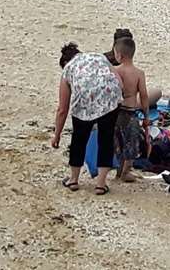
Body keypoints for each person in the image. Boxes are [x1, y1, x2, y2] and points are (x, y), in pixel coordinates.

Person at [51, 43, 123, 195]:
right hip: (109, 98)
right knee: (106, 139)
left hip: (83, 103)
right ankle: (101, 184)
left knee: (79, 139)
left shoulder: (68, 69)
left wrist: (57, 135)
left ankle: (74, 180)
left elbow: (62, 109)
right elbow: (118, 81)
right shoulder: (99, 57)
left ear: (65, 62)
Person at [110, 33, 148, 182]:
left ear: (119, 55)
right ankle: (125, 171)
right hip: (131, 112)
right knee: (131, 143)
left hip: (116, 111)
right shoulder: (139, 73)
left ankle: (117, 171)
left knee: (116, 141)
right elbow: (144, 95)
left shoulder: (115, 70)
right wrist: (146, 116)